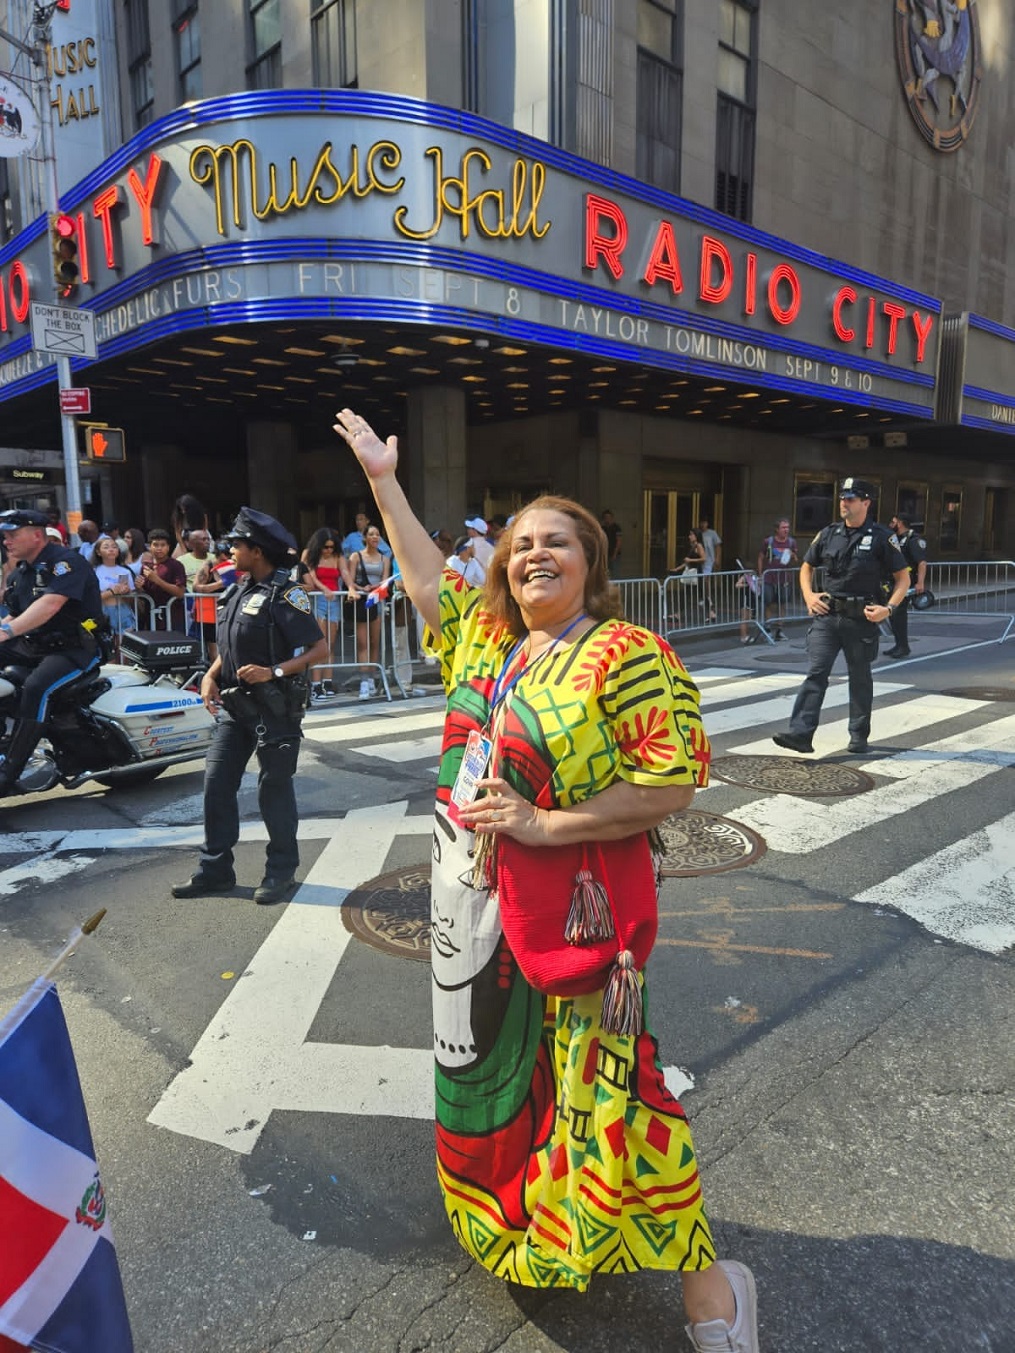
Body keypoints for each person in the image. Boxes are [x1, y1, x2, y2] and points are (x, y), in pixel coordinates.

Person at [331, 408, 760, 1353]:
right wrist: (382, 480)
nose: (533, 555)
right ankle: (546, 1233)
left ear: (589, 563)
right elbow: (418, 575)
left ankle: (711, 1288)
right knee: (507, 1089)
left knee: (617, 1092)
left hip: (572, 921)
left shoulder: (624, 653)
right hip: (472, 916)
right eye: (519, 543)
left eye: (555, 542)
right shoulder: (486, 641)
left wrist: (539, 823)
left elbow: (672, 777)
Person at [171, 508, 329, 906]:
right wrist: (210, 674)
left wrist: (274, 670)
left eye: (237, 545)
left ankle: (280, 872)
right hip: (234, 706)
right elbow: (231, 645)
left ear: (256, 551)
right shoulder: (239, 588)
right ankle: (215, 871)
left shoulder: (286, 593)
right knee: (217, 784)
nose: (230, 551)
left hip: (275, 709)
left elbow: (320, 648)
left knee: (273, 790)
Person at [773, 477, 909, 756]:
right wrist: (809, 596)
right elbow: (806, 567)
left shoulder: (883, 537)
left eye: (850, 498)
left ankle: (858, 735)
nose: (843, 503)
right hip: (827, 616)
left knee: (859, 677)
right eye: (842, 498)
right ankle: (801, 733)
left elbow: (903, 579)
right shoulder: (829, 533)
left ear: (866, 503)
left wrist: (889, 609)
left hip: (861, 618)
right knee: (816, 673)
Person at [0, 509, 104, 796]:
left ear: (37, 534)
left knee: (36, 688)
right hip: (35, 648)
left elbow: (50, 605)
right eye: (5, 535)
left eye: (12, 534)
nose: (6, 541)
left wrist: (6, 632)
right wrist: (4, 628)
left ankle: (10, 771)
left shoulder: (65, 563)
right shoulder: (21, 573)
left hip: (76, 649)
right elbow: (15, 615)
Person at [302, 526, 350, 700]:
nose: (328, 550)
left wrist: (351, 587)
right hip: (317, 599)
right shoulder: (309, 554)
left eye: (331, 547)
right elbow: (311, 576)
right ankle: (315, 684)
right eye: (325, 547)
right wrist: (324, 589)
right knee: (318, 643)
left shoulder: (338, 556)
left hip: (334, 600)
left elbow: (345, 572)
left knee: (331, 643)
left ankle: (327, 681)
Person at [346, 522, 390, 700]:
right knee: (363, 642)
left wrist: (376, 587)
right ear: (364, 538)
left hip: (376, 600)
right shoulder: (355, 557)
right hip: (361, 600)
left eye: (377, 534)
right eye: (371, 534)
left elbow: (385, 579)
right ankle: (364, 680)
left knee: (374, 641)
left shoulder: (384, 559)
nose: (374, 537)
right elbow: (349, 579)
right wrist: (360, 588)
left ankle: (372, 676)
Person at [885, 513, 927, 658]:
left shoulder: (912, 540)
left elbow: (921, 562)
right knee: (893, 614)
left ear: (900, 523)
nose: (890, 524)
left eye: (893, 522)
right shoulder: (897, 539)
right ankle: (898, 644)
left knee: (898, 614)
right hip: (895, 582)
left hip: (907, 583)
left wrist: (920, 582)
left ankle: (903, 647)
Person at [92, 535, 137, 659]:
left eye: (114, 547)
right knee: (108, 649)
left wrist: (126, 591)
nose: (111, 549)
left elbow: (131, 596)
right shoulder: (95, 571)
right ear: (98, 552)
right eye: (106, 547)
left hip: (122, 610)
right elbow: (93, 597)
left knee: (124, 648)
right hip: (104, 612)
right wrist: (111, 592)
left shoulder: (124, 571)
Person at [757, 517, 798, 641]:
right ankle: (768, 628)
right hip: (769, 577)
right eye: (783, 527)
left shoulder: (791, 542)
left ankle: (779, 630)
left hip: (784, 578)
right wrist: (760, 575)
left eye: (787, 527)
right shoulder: (768, 542)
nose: (786, 530)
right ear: (777, 529)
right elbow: (760, 557)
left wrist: (793, 555)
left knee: (782, 604)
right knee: (769, 603)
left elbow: (796, 559)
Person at [139, 528, 187, 629]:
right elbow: (145, 594)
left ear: (168, 547)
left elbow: (180, 592)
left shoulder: (176, 565)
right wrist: (139, 587)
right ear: (149, 547)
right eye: (155, 545)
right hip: (151, 617)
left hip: (173, 617)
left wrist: (157, 580)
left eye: (163, 545)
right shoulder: (146, 566)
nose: (159, 548)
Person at [670, 528, 709, 626]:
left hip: (696, 572)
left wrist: (691, 560)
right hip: (691, 571)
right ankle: (678, 614)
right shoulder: (692, 546)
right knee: (687, 593)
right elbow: (687, 561)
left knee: (701, 594)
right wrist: (677, 569)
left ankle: (711, 612)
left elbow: (703, 558)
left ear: (696, 536)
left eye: (691, 534)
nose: (689, 536)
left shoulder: (699, 545)